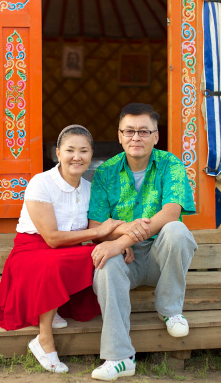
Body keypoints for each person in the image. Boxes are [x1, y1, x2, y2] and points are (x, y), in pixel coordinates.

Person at [0, 124, 126, 374]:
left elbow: (99, 229)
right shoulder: (41, 183)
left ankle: (54, 308)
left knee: (100, 254)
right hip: (32, 251)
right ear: (58, 153)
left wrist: (118, 242)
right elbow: (52, 238)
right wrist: (99, 233)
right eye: (70, 150)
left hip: (68, 250)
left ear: (91, 154)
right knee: (56, 262)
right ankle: (44, 339)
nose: (77, 157)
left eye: (84, 151)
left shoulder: (90, 189)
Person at [87, 103, 198, 381]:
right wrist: (121, 239)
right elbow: (96, 227)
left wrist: (120, 239)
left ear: (156, 136)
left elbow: (171, 213)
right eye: (129, 131)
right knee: (104, 262)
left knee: (178, 231)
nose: (136, 137)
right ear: (120, 135)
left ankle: (170, 310)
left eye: (144, 131)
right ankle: (120, 358)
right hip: (127, 261)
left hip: (161, 254)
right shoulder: (105, 173)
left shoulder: (171, 164)